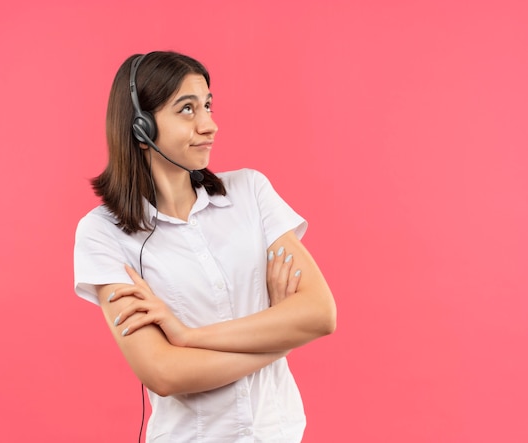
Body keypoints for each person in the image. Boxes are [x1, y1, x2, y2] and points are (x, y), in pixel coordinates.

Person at [73, 51, 336, 442]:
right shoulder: (103, 234)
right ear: (141, 128)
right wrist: (281, 338)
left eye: (208, 105)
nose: (209, 125)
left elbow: (320, 314)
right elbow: (164, 373)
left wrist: (186, 337)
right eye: (187, 109)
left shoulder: (251, 192)